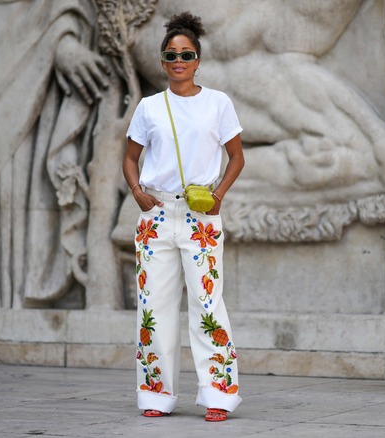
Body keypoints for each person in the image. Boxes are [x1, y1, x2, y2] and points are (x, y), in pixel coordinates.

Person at [122, 11, 245, 422]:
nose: (178, 60)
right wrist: (137, 191)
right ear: (162, 60)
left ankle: (219, 395)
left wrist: (220, 195)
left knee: (207, 305)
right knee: (154, 308)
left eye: (186, 53)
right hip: (156, 214)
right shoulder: (149, 107)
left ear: (197, 60)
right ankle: (156, 394)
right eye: (171, 54)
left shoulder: (218, 103)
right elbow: (129, 157)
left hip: (200, 217)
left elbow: (237, 156)